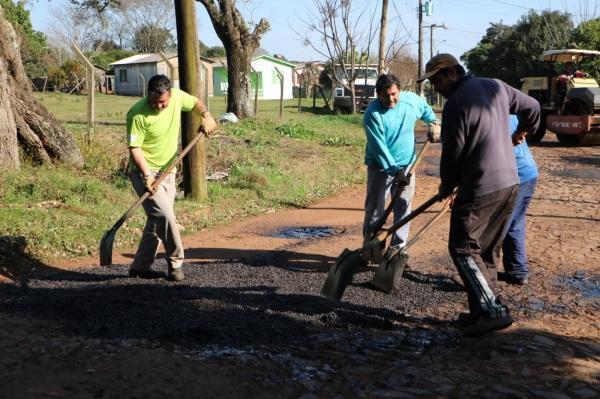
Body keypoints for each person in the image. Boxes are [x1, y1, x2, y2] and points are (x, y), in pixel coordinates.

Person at [417, 54, 540, 337]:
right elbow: (532, 107)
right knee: (484, 251)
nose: (436, 87)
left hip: (481, 187)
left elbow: (453, 154)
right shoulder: (496, 86)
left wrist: (447, 185)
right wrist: (523, 130)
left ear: (451, 73)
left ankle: (491, 311)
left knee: (462, 247)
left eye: (436, 80)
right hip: (510, 182)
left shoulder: (455, 104)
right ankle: (482, 312)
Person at [126, 74, 216, 281]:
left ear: (170, 95)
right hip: (144, 172)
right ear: (147, 94)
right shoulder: (137, 114)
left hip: (168, 171)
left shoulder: (177, 97)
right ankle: (176, 264)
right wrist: (147, 175)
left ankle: (140, 266)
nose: (159, 105)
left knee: (157, 220)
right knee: (166, 216)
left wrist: (207, 115)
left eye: (163, 102)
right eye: (155, 101)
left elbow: (195, 103)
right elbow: (135, 148)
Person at [362, 74, 438, 252]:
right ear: (377, 94)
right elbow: (379, 148)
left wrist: (434, 123)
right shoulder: (372, 114)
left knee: (404, 207)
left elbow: (426, 111)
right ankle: (371, 250)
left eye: (394, 94)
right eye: (385, 95)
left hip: (408, 164)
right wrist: (395, 171)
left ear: (400, 91)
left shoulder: (411, 101)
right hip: (380, 167)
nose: (390, 99)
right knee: (375, 210)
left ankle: (397, 250)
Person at [499, 115, 538, 286]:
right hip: (528, 173)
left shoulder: (489, 118)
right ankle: (517, 271)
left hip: (513, 176)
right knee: (515, 221)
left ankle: (482, 277)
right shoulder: (510, 114)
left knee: (495, 225)